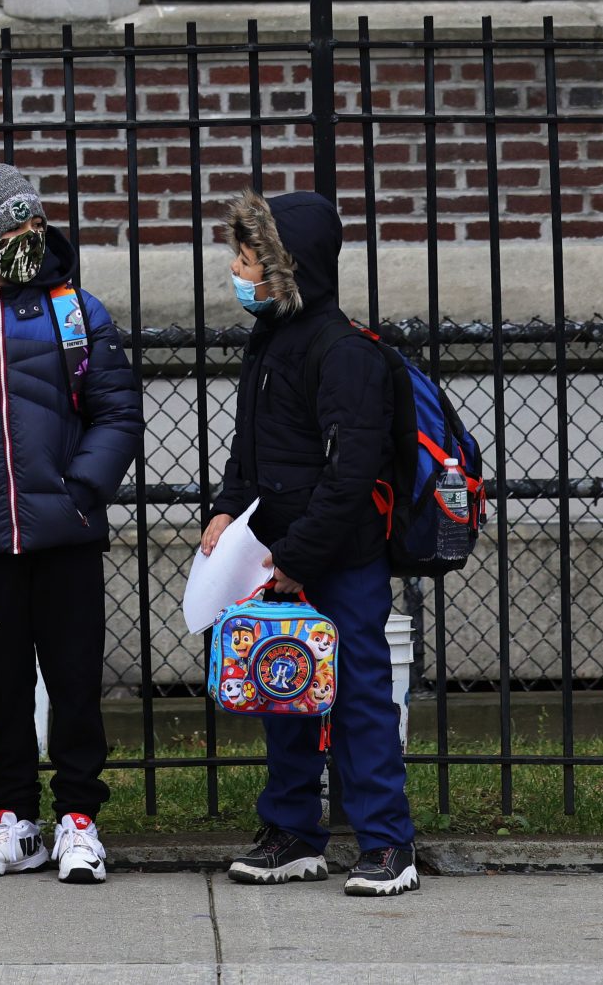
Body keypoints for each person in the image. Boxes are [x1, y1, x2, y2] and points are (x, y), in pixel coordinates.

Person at [0, 160, 143, 883]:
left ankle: (78, 818)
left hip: (66, 534)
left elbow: (118, 413)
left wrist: (81, 491)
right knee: (3, 686)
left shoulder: (77, 312)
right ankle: (15, 819)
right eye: (18, 224)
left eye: (37, 221)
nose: (33, 234)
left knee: (73, 681)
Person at [206, 189, 419, 897]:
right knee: (281, 687)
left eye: (248, 257)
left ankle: (388, 842)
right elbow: (250, 451)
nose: (237, 269)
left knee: (357, 694)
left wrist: (300, 556)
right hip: (276, 555)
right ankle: (295, 832)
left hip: (341, 556)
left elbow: (352, 471)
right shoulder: (268, 341)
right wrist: (225, 510)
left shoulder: (344, 352)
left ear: (288, 267)